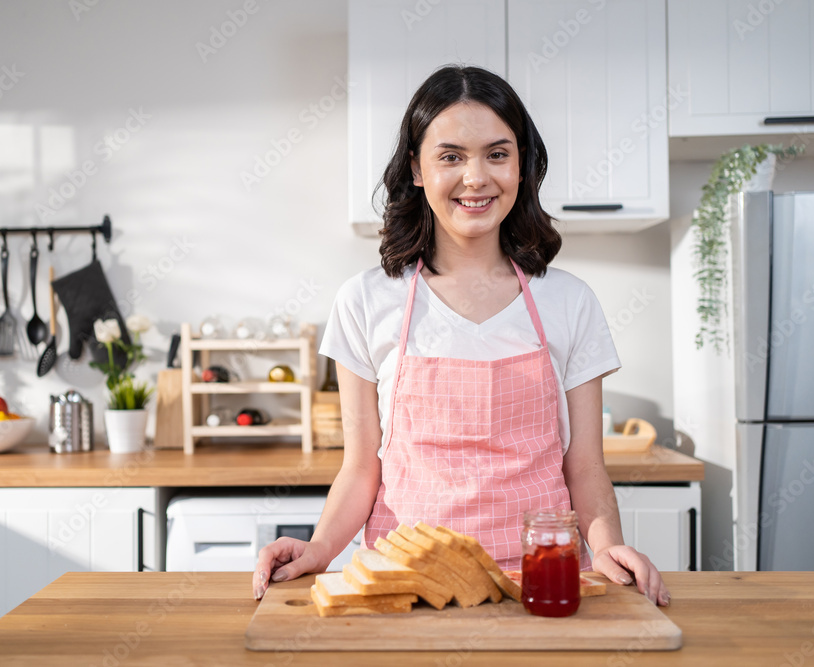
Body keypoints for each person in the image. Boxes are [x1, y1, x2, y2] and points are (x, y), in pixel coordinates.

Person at [253, 65, 670, 606]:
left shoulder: (568, 301)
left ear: (522, 167)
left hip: (539, 582)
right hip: (406, 583)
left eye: (497, 154)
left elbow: (585, 466)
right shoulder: (365, 301)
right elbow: (361, 467)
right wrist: (319, 548)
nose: (476, 178)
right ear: (417, 169)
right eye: (451, 156)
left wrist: (610, 545)